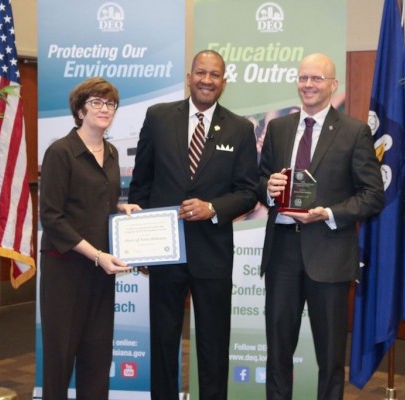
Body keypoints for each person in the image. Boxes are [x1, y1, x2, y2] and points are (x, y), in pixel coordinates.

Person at [128, 49, 259, 400]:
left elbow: (249, 192)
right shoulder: (157, 118)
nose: (206, 80)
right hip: (164, 252)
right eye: (201, 72)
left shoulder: (241, 128)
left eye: (214, 75)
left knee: (214, 345)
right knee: (163, 340)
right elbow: (141, 183)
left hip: (212, 253)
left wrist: (212, 207)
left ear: (224, 82)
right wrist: (140, 244)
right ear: (189, 77)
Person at [258, 53, 385, 400]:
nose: (308, 85)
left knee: (329, 357)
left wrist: (327, 213)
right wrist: (267, 190)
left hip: (329, 256)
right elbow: (260, 180)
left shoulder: (354, 131)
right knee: (277, 351)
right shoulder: (279, 128)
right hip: (282, 252)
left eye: (316, 79)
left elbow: (373, 195)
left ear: (333, 85)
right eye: (303, 78)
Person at [39, 77, 141, 399]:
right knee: (60, 360)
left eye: (109, 103)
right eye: (96, 102)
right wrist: (96, 254)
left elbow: (98, 204)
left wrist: (121, 210)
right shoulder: (60, 152)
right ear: (80, 109)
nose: (104, 109)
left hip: (101, 271)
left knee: (97, 359)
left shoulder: (110, 152)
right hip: (65, 272)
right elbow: (51, 217)